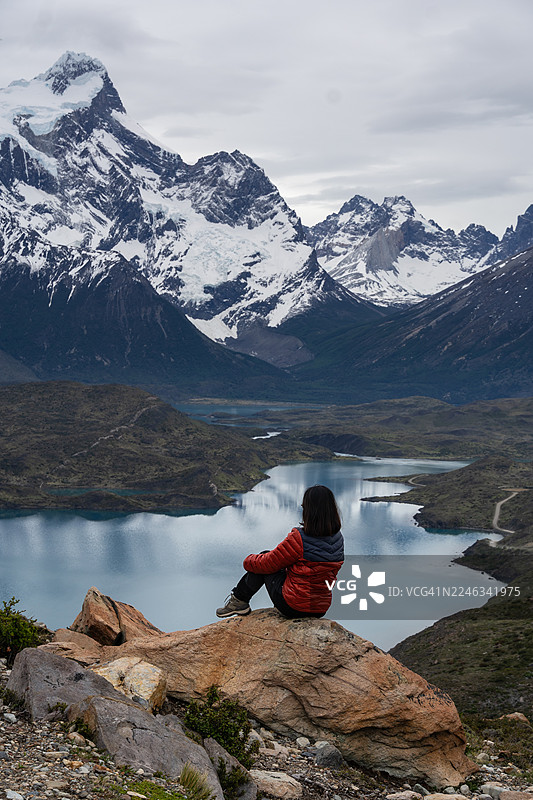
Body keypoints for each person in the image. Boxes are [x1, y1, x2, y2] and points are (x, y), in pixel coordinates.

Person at [216, 484, 344, 619]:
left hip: (293, 606)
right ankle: (239, 601)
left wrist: (248, 561)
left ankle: (238, 601)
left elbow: (267, 564)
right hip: (320, 608)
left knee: (262, 559)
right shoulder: (338, 539)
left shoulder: (299, 538)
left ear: (309, 511)